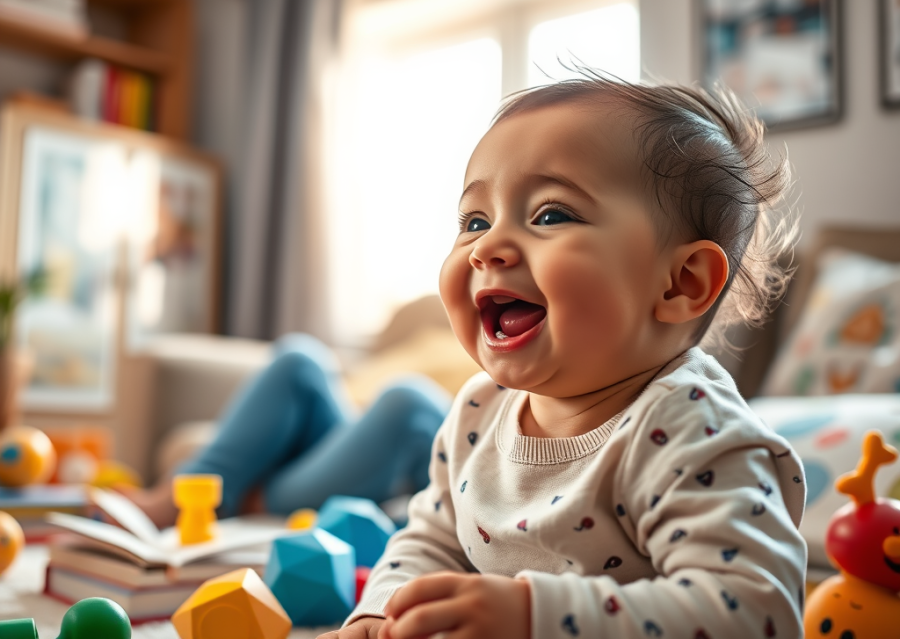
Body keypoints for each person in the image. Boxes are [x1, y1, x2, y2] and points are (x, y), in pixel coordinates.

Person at [322, 72, 807, 639]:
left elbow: (754, 613)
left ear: (680, 283)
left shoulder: (691, 428)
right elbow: (431, 538)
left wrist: (533, 616)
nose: (487, 247)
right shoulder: (479, 410)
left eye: (551, 215)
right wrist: (384, 610)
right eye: (474, 221)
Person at [127, 333, 452, 527]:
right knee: (300, 359)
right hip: (366, 433)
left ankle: (239, 503)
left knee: (409, 402)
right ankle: (176, 497)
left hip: (419, 466)